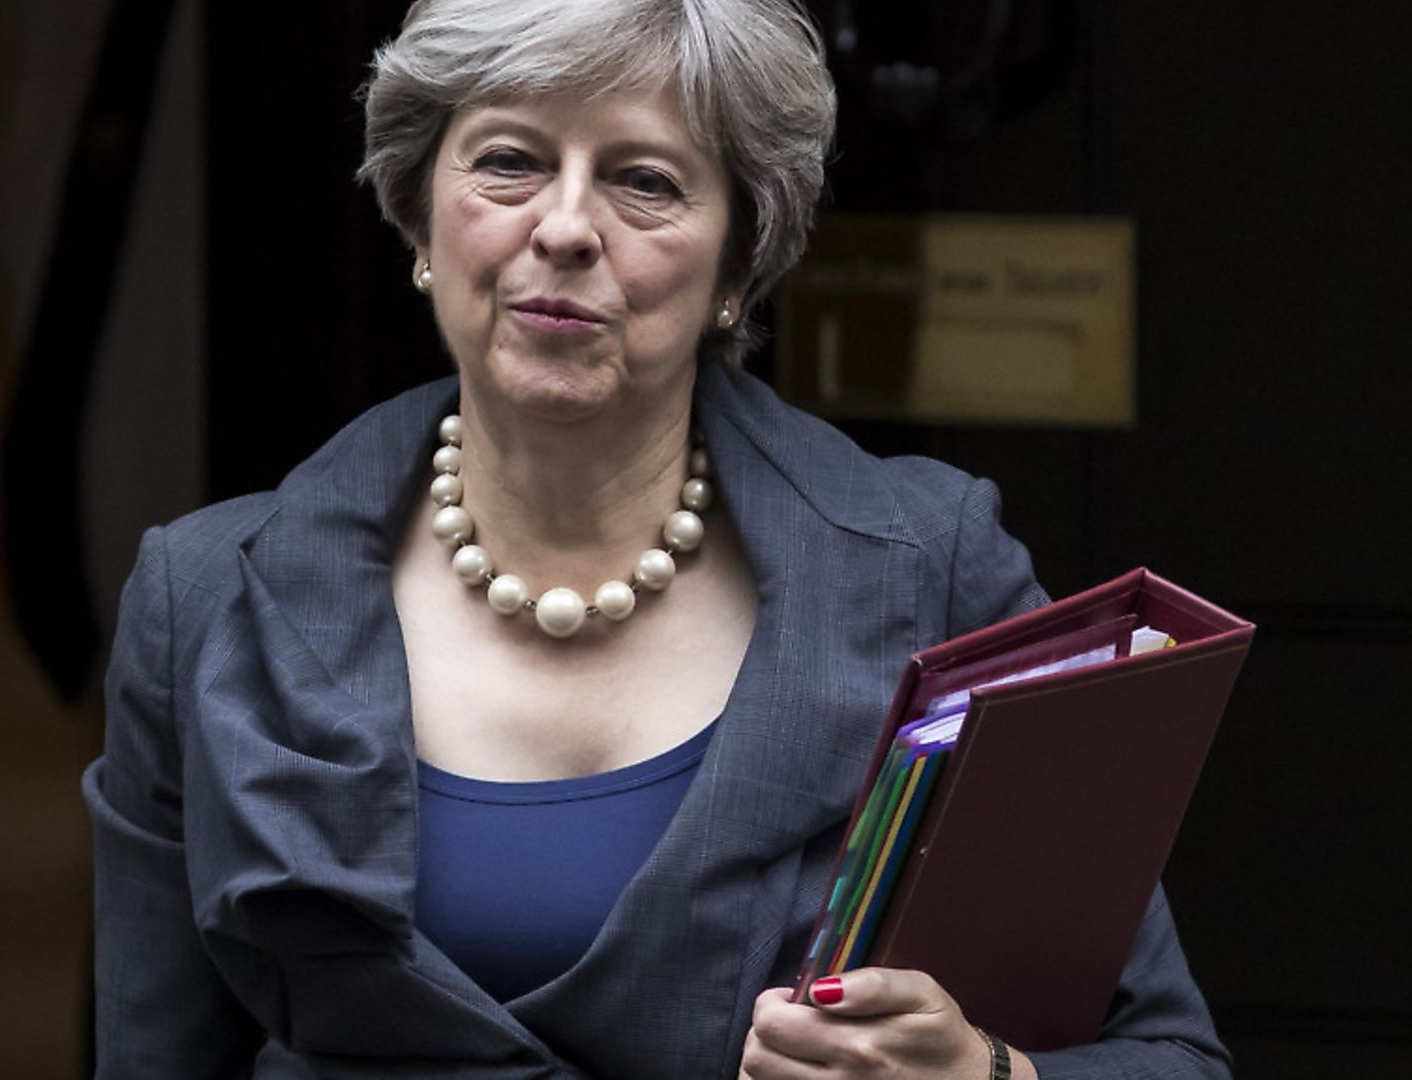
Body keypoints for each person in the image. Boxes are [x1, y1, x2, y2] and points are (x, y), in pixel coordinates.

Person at [83, 0, 1233, 1076]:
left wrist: (984, 1073)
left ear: (739, 262)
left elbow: (1170, 1054)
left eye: (643, 182)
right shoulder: (203, 601)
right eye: (509, 161)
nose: (566, 227)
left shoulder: (936, 567)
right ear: (419, 215)